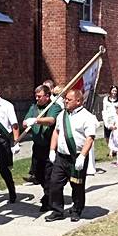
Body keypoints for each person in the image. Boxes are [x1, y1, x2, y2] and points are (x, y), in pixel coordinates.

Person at [46, 89, 97, 223]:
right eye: (65, 99)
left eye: (69, 99)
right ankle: (57, 210)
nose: (65, 101)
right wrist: (52, 150)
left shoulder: (87, 117)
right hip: (61, 157)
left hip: (77, 157)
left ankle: (76, 210)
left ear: (78, 101)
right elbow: (56, 132)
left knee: (77, 186)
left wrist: (83, 156)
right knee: (54, 183)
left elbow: (90, 138)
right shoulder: (62, 114)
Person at [22, 85, 62, 212]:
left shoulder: (54, 107)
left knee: (48, 174)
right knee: (38, 174)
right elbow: (25, 121)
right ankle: (48, 193)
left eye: (39, 96)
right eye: (36, 96)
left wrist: (36, 120)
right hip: (37, 147)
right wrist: (27, 122)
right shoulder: (34, 107)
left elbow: (51, 120)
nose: (37, 98)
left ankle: (48, 199)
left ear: (47, 96)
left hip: (50, 146)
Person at [101, 85, 118, 157]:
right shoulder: (105, 99)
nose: (114, 92)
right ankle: (111, 148)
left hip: (115, 119)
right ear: (110, 91)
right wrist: (104, 119)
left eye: (115, 91)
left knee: (114, 135)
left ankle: (112, 151)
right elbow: (104, 109)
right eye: (113, 91)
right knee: (107, 136)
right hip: (107, 118)